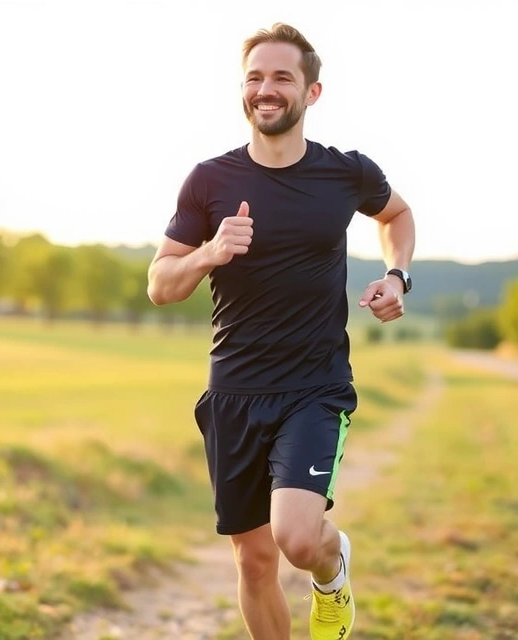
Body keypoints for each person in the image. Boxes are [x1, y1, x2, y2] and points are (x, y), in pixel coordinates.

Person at [146, 22, 416, 640]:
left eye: (281, 78)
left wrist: (396, 276)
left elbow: (397, 214)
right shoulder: (209, 180)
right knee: (254, 559)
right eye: (254, 78)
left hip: (314, 388)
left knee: (295, 537)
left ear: (312, 92)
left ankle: (332, 567)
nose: (265, 89)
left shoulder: (346, 173)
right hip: (234, 391)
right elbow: (160, 284)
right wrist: (208, 253)